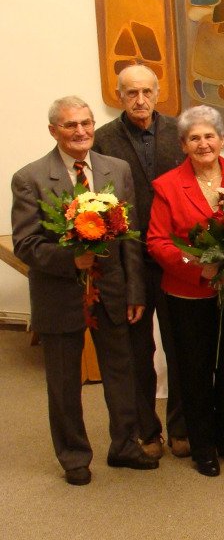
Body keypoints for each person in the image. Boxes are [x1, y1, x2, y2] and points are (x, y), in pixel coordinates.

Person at [11, 96, 159, 485]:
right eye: (70, 125)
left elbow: (131, 237)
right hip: (59, 296)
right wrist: (70, 259)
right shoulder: (30, 178)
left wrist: (135, 291)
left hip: (112, 291)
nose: (81, 131)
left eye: (86, 123)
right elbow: (25, 243)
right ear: (53, 131)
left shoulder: (117, 169)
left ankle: (125, 445)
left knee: (122, 373)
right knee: (63, 383)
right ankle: (74, 456)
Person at [146, 105, 224, 477]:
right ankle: (203, 446)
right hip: (188, 293)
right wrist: (198, 267)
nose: (203, 143)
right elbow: (157, 242)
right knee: (194, 371)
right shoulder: (167, 185)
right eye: (194, 138)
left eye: (209, 136)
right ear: (183, 145)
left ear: (222, 139)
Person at [92, 64, 188, 460]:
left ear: (158, 92)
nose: (140, 99)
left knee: (180, 347)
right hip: (129, 262)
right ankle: (147, 430)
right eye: (131, 92)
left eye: (147, 91)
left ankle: (181, 427)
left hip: (174, 258)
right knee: (137, 351)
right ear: (119, 96)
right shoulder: (101, 140)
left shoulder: (179, 132)